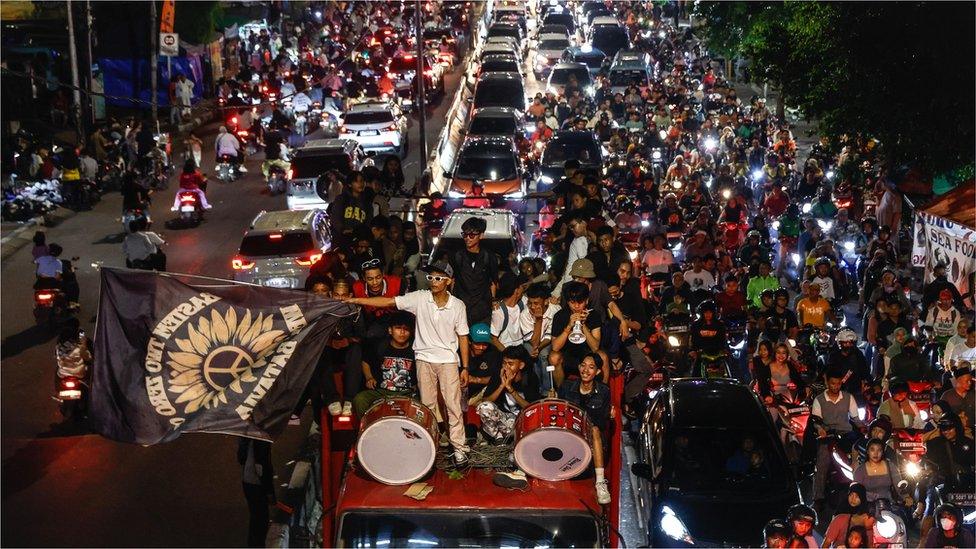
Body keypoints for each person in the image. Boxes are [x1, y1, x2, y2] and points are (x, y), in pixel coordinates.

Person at [340, 260, 472, 468]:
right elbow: (389, 301)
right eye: (431, 277)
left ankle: (459, 449)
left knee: (453, 405)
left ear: (449, 281)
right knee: (427, 407)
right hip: (423, 359)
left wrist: (465, 367)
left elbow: (463, 336)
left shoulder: (457, 305)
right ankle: (432, 446)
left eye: (438, 278)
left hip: (448, 360)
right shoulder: (420, 298)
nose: (434, 281)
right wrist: (356, 300)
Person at [558, 352, 613, 504]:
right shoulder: (567, 386)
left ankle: (600, 482)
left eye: (591, 367)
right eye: (583, 366)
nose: (586, 370)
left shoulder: (604, 391)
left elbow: (601, 423)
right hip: (570, 432)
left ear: (598, 372)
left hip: (592, 436)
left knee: (594, 429)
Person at [811, 368, 867, 512]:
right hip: (828, 437)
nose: (835, 386)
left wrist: (865, 428)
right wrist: (820, 429)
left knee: (862, 459)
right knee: (822, 462)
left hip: (847, 435)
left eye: (838, 383)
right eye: (832, 383)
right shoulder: (819, 400)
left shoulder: (848, 397)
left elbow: (855, 418)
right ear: (827, 383)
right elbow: (816, 421)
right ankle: (818, 498)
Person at [352, 311, 417, 416]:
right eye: (398, 328)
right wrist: (369, 377)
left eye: (406, 329)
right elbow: (365, 361)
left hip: (407, 393)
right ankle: (370, 428)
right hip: (382, 392)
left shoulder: (415, 349)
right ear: (390, 330)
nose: (402, 332)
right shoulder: (381, 346)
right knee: (360, 399)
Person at [478, 345, 540, 445]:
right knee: (484, 407)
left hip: (522, 422)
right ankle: (498, 438)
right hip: (503, 420)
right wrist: (502, 385)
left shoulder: (530, 378)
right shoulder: (499, 375)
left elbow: (532, 408)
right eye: (504, 363)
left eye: (510, 364)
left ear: (521, 365)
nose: (506, 367)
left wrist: (510, 389)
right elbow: (485, 401)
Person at [550, 282, 607, 387]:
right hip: (568, 354)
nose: (576, 306)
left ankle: (602, 393)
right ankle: (562, 392)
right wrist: (568, 327)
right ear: (567, 302)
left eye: (580, 302)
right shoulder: (560, 316)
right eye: (572, 302)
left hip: (587, 354)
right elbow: (555, 347)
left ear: (586, 301)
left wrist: (583, 325)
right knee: (554, 357)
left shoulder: (594, 315)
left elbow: (595, 347)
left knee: (602, 356)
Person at [448, 216, 497, 326]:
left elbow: (493, 282)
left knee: (480, 341)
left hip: (482, 309)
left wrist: (493, 301)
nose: (467, 238)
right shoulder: (457, 256)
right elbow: (452, 279)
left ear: (481, 236)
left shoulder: (489, 257)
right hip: (460, 307)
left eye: (471, 235)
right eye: (465, 235)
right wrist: (451, 300)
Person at [238, 438, 274, 547]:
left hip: (247, 480)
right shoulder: (262, 439)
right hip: (257, 483)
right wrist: (269, 491)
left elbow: (241, 459)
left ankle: (253, 544)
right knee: (261, 520)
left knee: (255, 518)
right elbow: (263, 466)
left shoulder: (245, 436)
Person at [853, 438, 908, 504]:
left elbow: (898, 484)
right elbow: (856, 491)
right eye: (872, 450)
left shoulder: (890, 466)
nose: (876, 453)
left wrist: (906, 497)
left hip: (889, 505)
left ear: (882, 452)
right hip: (868, 506)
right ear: (867, 451)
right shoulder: (860, 470)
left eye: (879, 450)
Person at [822, 482, 875, 548]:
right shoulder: (840, 517)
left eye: (857, 496)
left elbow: (871, 546)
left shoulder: (869, 524)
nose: (853, 499)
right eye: (851, 495)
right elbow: (827, 542)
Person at [466, 323, 502, 401]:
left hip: (482, 393)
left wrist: (476, 379)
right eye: (477, 343)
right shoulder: (460, 353)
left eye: (485, 344)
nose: (481, 347)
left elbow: (497, 378)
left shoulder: (493, 353)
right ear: (469, 341)